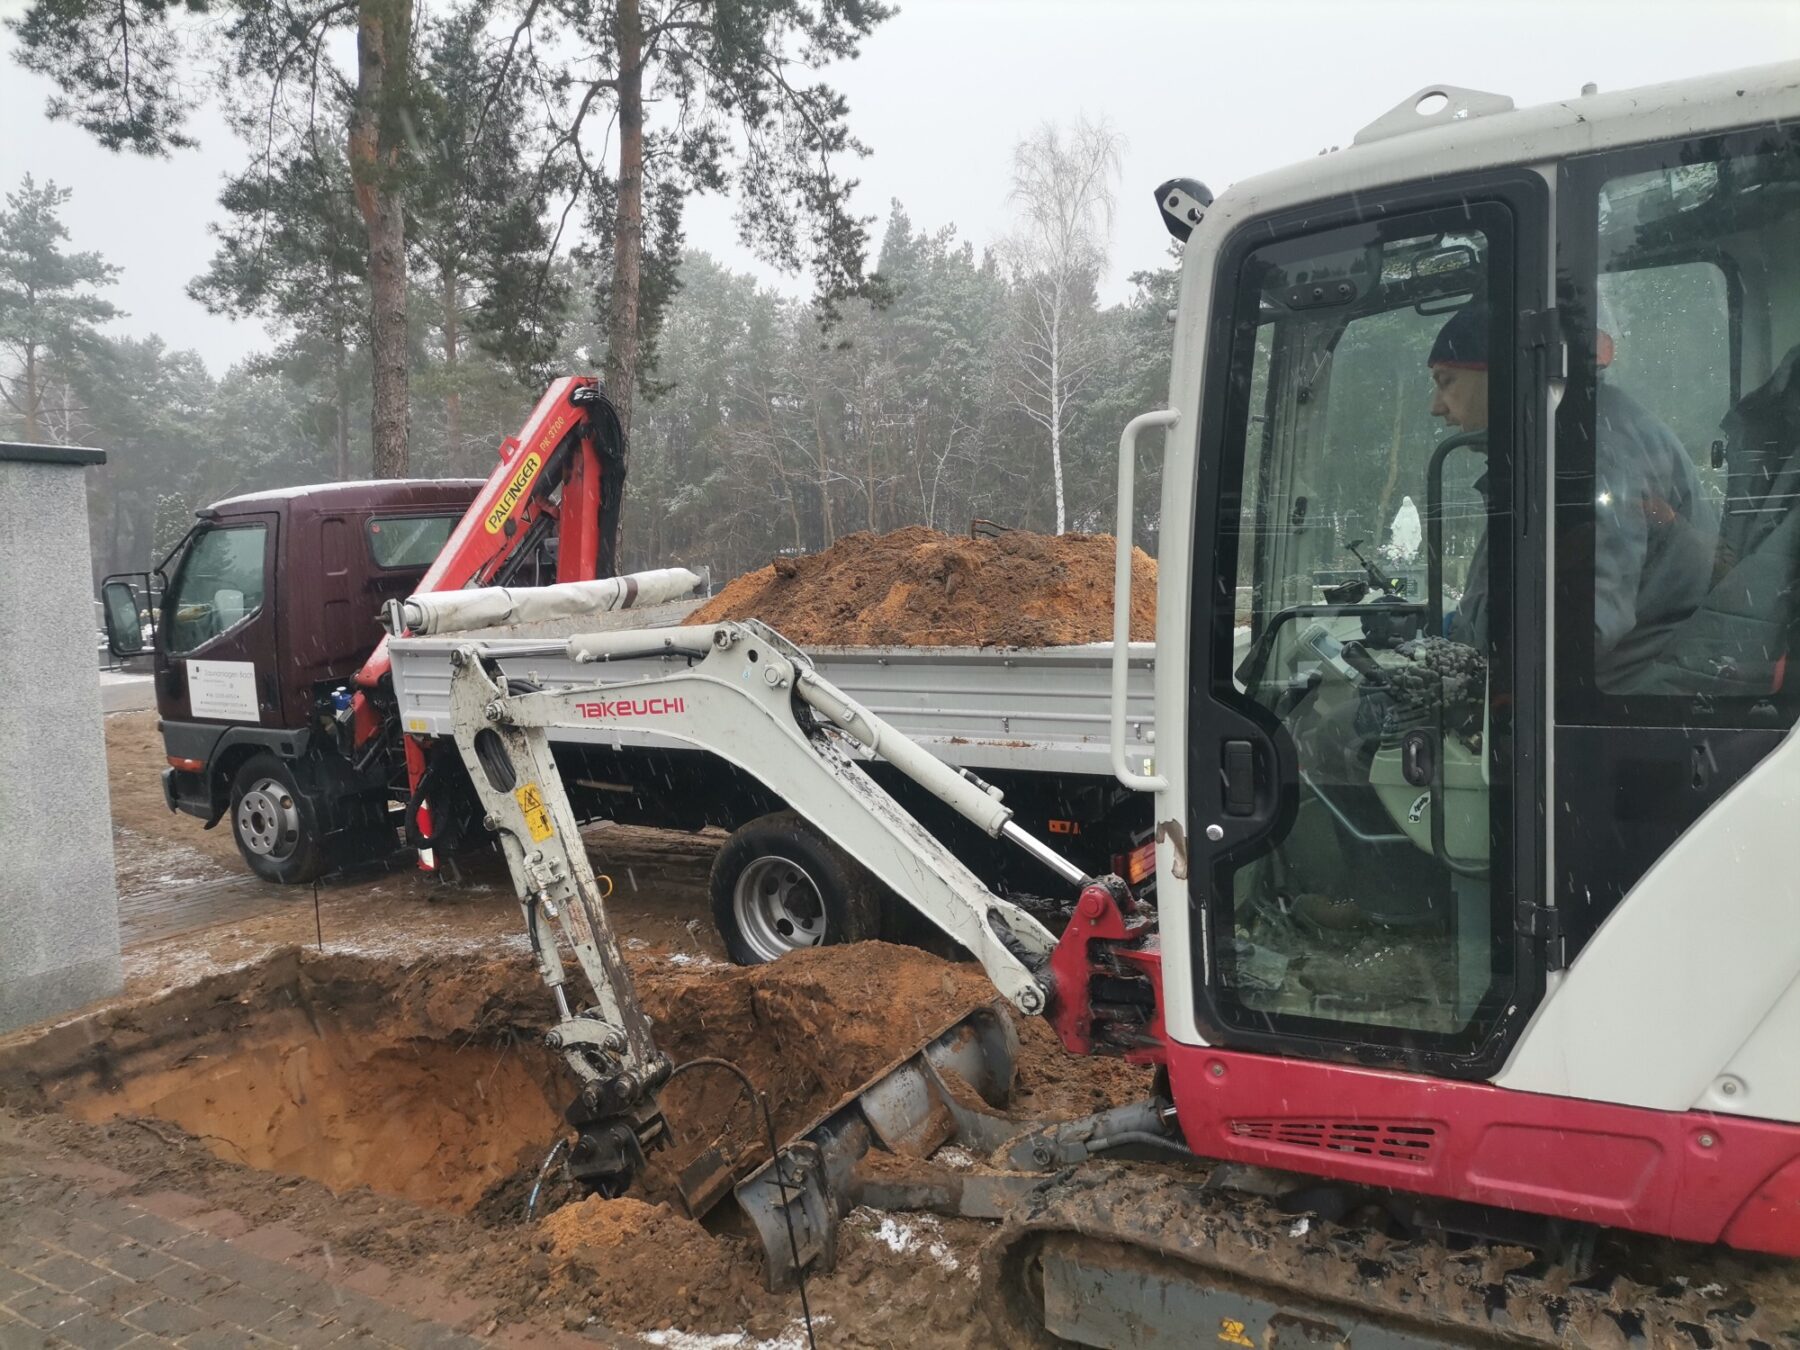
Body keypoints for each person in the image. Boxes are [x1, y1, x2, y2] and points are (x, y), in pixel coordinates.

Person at [1425, 301, 1717, 684]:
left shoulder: (1587, 452)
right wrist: (1465, 630)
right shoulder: (1560, 438)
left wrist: (1484, 658)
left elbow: (1582, 627)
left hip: (1617, 694)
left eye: (1446, 381)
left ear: (1506, 372)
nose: (1436, 408)